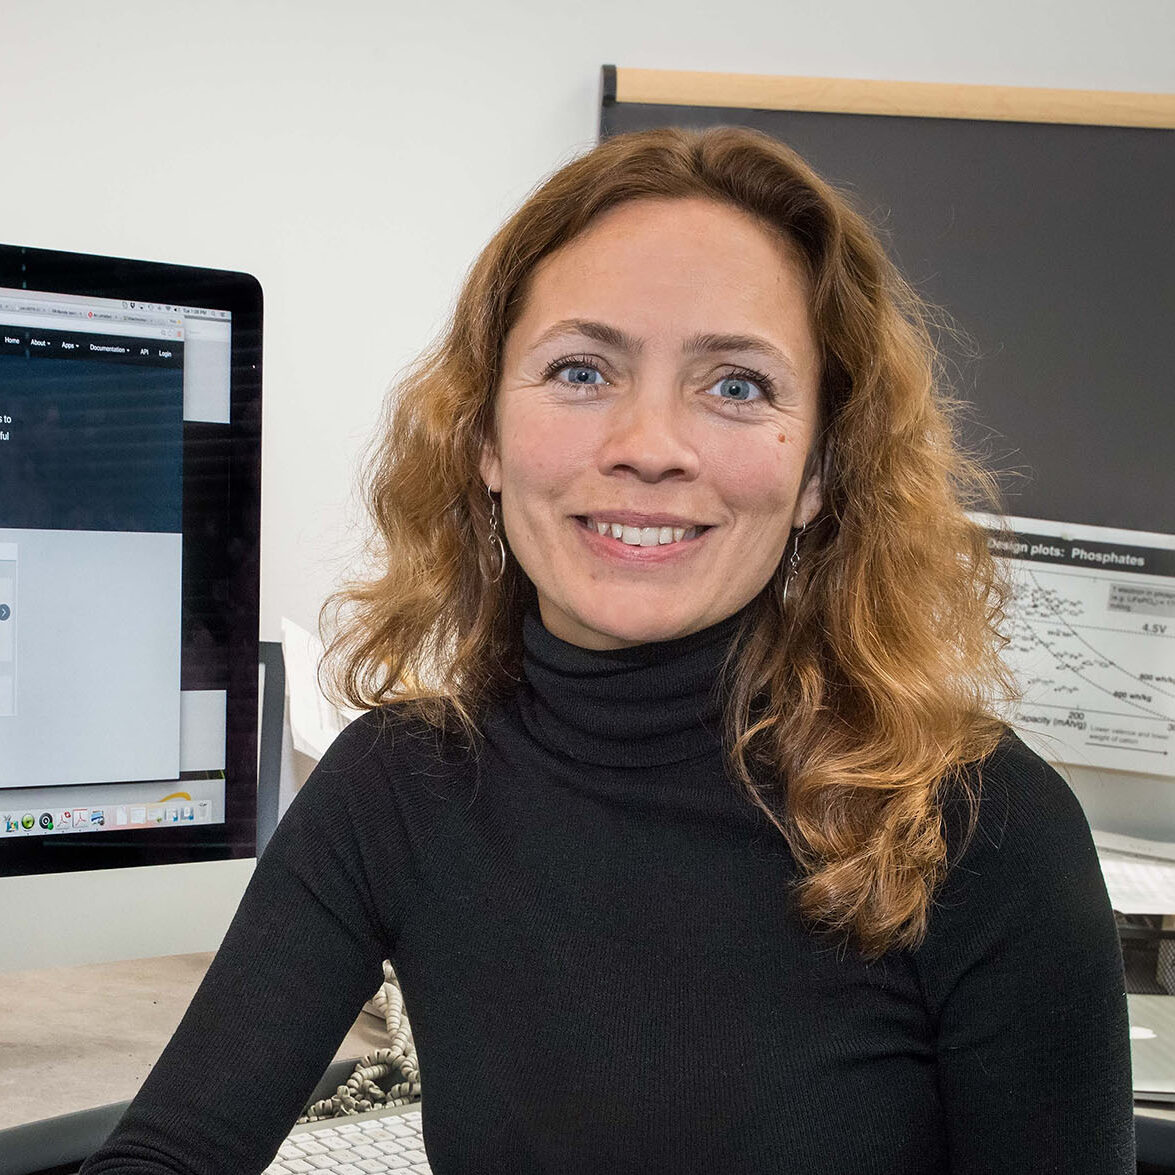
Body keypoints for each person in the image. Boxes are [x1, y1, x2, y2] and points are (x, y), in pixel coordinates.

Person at [81, 125, 1134, 1174]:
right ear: (483, 438)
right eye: (581, 370)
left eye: (735, 385)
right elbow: (173, 1151)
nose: (647, 445)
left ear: (818, 469)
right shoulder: (398, 785)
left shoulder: (978, 827)